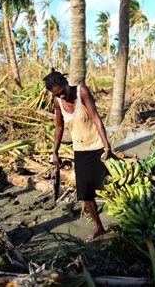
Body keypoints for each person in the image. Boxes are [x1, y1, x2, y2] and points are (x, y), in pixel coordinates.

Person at [44, 69, 111, 241]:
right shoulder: (58, 102)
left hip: (97, 146)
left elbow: (96, 117)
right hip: (80, 151)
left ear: (66, 84)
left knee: (111, 185)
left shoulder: (82, 92)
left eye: (63, 92)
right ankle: (99, 227)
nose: (63, 97)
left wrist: (106, 145)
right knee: (85, 193)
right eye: (57, 95)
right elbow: (59, 127)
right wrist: (55, 151)